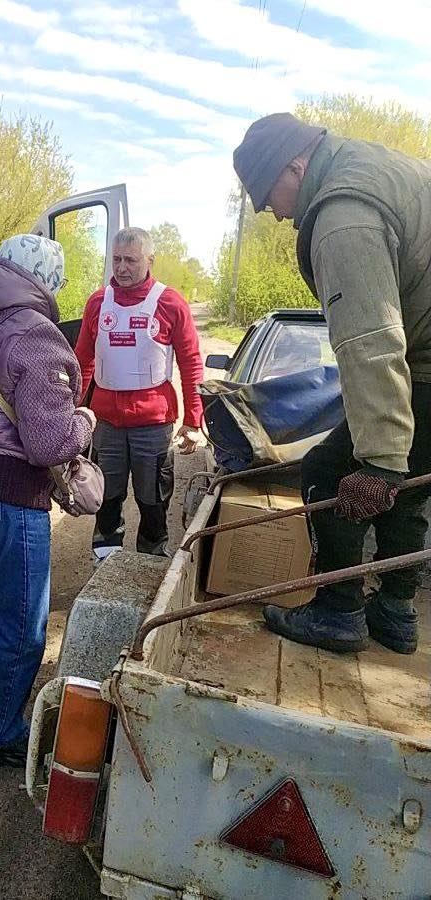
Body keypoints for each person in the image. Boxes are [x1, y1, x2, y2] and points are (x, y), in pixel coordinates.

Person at [233, 111, 431, 655]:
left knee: (331, 471)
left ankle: (339, 610)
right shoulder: (375, 167)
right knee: (410, 489)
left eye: (266, 195)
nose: (272, 213)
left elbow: (371, 340)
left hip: (426, 366)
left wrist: (381, 460)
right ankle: (394, 614)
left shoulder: (344, 214)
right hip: (427, 362)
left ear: (295, 165)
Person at [0, 233, 95, 769]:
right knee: (24, 622)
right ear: (45, 282)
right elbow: (50, 441)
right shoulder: (35, 333)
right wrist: (85, 420)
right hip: (8, 494)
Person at [74, 227, 204, 559]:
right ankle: (105, 559)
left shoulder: (170, 302)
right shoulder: (98, 303)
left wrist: (193, 420)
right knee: (106, 495)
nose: (122, 267)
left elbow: (190, 364)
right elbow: (83, 361)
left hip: (152, 423)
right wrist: (72, 407)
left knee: (154, 497)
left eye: (130, 260)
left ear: (149, 260)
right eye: (116, 259)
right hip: (107, 423)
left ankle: (151, 557)